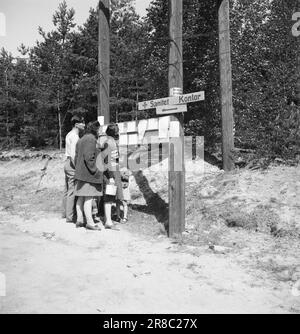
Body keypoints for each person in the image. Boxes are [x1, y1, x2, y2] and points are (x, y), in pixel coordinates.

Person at [74, 121, 104, 231]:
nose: (101, 131)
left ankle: (79, 220)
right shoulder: (91, 139)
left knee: (81, 197)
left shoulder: (81, 139)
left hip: (80, 173)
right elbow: (89, 157)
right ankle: (90, 223)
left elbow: (76, 157)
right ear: (95, 129)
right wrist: (96, 170)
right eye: (99, 129)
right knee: (89, 197)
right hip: (88, 174)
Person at [62, 115, 85, 224]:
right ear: (77, 124)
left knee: (67, 190)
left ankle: (65, 213)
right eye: (82, 122)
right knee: (72, 191)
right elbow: (73, 154)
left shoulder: (68, 134)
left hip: (67, 163)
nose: (84, 125)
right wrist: (78, 168)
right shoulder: (75, 137)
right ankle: (70, 216)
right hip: (72, 164)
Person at [101, 123, 124, 228]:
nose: (118, 132)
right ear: (114, 132)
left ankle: (108, 219)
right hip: (111, 172)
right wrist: (110, 176)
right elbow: (107, 161)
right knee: (109, 196)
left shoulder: (112, 142)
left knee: (112, 195)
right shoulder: (108, 143)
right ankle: (108, 222)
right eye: (117, 131)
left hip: (115, 171)